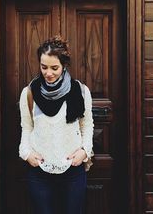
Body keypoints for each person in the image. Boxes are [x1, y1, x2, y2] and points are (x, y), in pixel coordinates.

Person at [18, 35, 94, 214]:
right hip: (39, 172)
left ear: (64, 65)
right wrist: (26, 153)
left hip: (73, 171)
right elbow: (26, 127)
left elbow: (87, 125)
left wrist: (84, 151)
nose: (48, 73)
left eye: (54, 68)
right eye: (44, 67)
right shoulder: (29, 93)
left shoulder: (80, 91)